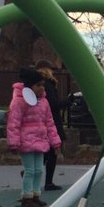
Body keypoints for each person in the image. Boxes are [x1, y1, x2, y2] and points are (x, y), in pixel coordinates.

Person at [7, 65, 61, 207]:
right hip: (26, 141)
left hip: (40, 140)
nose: (42, 88)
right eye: (38, 85)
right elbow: (14, 123)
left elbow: (50, 122)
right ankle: (27, 197)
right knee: (30, 170)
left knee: (39, 170)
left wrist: (55, 142)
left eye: (43, 85)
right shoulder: (19, 101)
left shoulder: (43, 102)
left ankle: (35, 195)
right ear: (30, 86)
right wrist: (14, 142)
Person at [35, 59, 65, 190]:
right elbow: (53, 105)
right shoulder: (48, 85)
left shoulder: (38, 85)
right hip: (51, 121)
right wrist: (67, 101)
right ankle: (48, 181)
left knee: (47, 151)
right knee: (52, 151)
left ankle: (34, 172)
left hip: (43, 120)